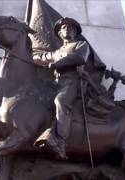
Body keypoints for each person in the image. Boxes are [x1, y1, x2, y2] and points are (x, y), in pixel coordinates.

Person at [32, 17, 91, 158]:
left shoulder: (81, 44)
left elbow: (78, 58)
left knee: (61, 102)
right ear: (60, 33)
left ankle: (61, 142)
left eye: (71, 28)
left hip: (72, 82)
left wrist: (57, 64)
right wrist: (20, 53)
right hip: (56, 84)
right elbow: (43, 58)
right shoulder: (57, 52)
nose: (67, 29)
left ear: (75, 32)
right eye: (64, 28)